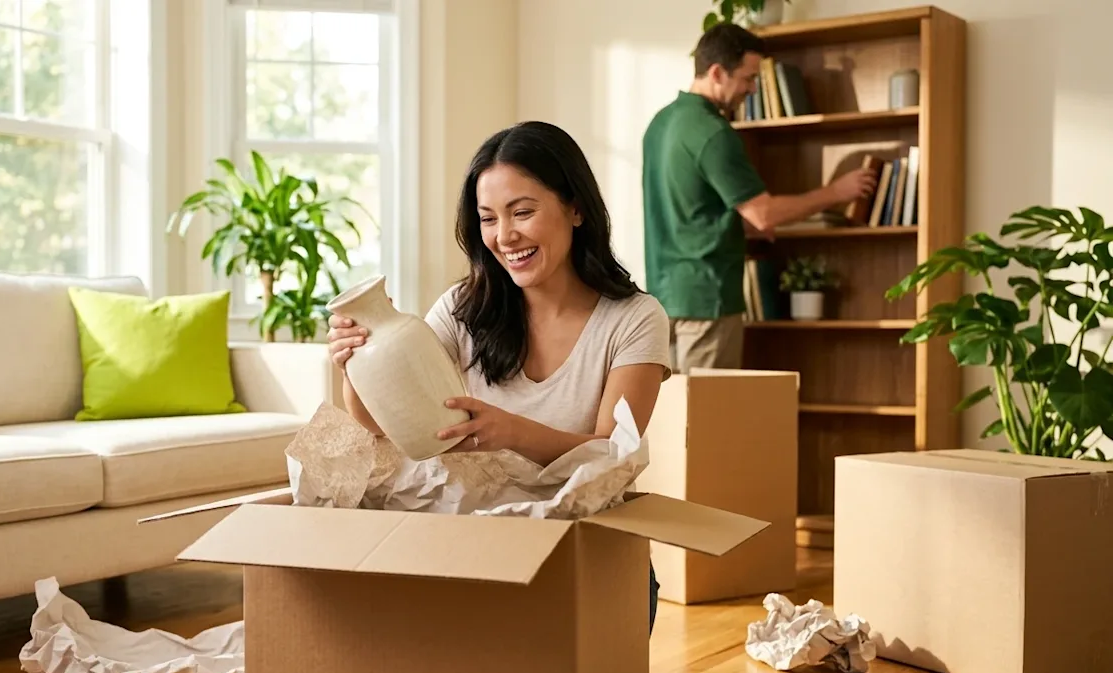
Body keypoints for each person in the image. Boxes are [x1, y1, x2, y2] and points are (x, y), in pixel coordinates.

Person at [326, 120, 672, 635]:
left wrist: (511, 432)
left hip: (580, 544)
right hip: (472, 540)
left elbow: (610, 457)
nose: (504, 236)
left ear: (576, 208)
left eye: (523, 212)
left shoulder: (635, 319)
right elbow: (382, 428)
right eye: (488, 219)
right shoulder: (463, 308)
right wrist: (358, 363)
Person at [641, 22, 877, 374]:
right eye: (749, 78)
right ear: (717, 72)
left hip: (664, 300)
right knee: (707, 420)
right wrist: (836, 192)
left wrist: (738, 228)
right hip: (709, 300)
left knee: (669, 420)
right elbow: (763, 214)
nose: (752, 90)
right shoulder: (713, 132)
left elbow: (689, 209)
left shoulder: (659, 125)